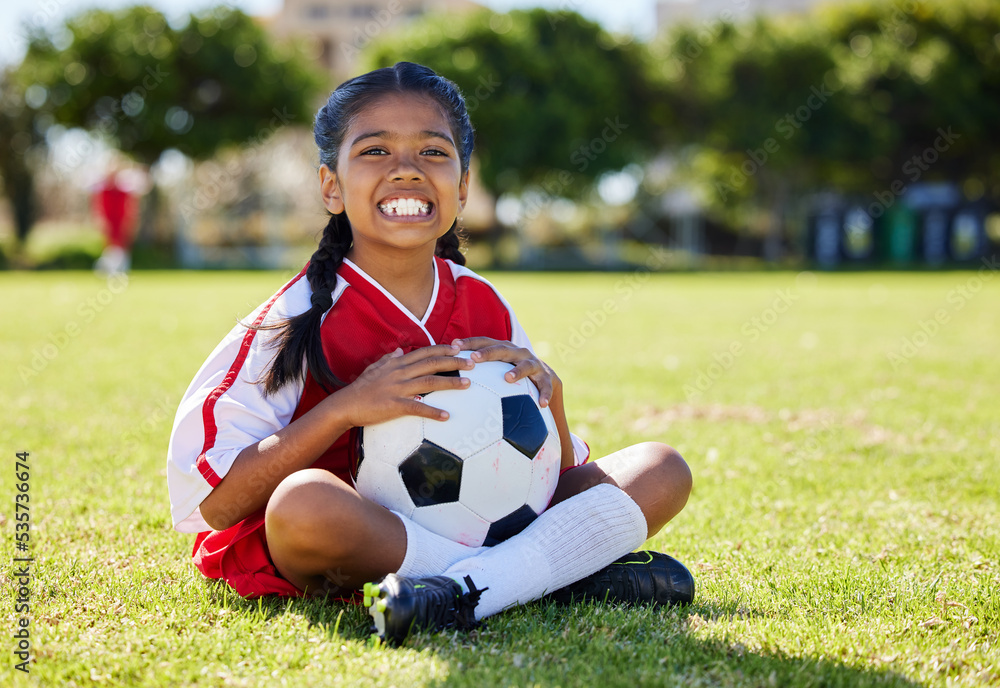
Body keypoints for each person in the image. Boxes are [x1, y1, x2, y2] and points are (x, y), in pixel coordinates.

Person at [167, 62, 694, 645]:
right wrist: (345, 408)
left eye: (433, 153)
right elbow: (214, 505)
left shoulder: (484, 303)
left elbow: (552, 473)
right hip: (357, 539)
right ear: (331, 187)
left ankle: (460, 590)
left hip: (493, 520)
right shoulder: (290, 322)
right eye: (374, 151)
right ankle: (536, 578)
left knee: (661, 468)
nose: (406, 170)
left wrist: (553, 399)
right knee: (302, 504)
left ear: (463, 187)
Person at [92, 165, 138, 276]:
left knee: (122, 244)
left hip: (121, 221)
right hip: (109, 221)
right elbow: (99, 207)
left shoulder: (124, 191)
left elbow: (130, 206)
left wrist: (130, 220)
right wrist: (101, 220)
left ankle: (122, 269)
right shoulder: (103, 190)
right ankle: (109, 269)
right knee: (110, 244)